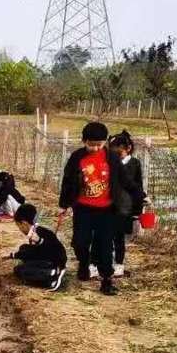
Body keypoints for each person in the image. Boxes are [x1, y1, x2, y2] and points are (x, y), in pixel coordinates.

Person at [58, 121, 132, 296]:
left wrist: (140, 195)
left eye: (99, 144)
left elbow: (125, 180)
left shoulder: (112, 158)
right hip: (83, 208)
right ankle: (84, 263)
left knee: (106, 246)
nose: (96, 148)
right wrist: (64, 205)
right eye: (91, 145)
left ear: (104, 142)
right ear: (84, 141)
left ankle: (107, 280)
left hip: (107, 210)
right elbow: (68, 182)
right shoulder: (77, 157)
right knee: (80, 243)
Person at [110, 130, 148, 277]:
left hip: (125, 207)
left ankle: (119, 266)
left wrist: (138, 208)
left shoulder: (134, 164)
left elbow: (137, 186)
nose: (115, 153)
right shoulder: (110, 163)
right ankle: (103, 264)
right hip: (109, 206)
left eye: (118, 150)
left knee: (119, 238)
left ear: (128, 148)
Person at [4, 203, 67, 291]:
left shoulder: (37, 233)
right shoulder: (35, 229)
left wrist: (39, 241)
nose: (20, 230)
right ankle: (49, 270)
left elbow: (47, 249)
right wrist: (14, 255)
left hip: (55, 259)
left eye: (19, 226)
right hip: (51, 256)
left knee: (20, 271)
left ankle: (51, 275)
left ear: (24, 223)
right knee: (23, 248)